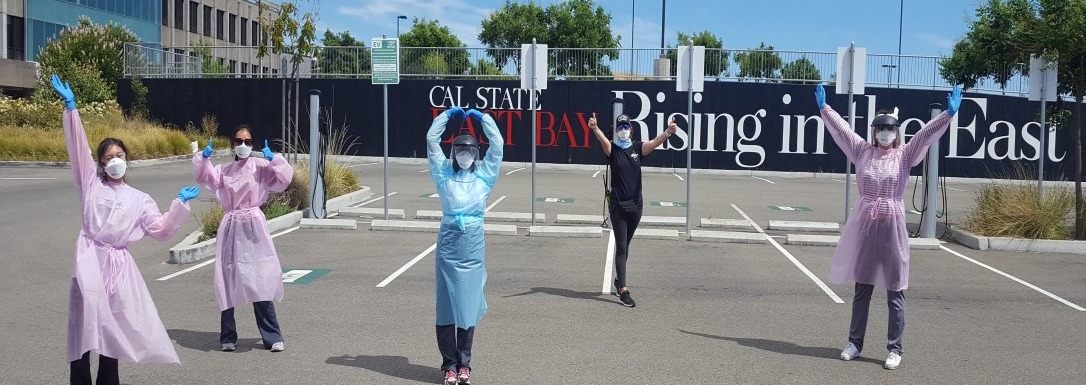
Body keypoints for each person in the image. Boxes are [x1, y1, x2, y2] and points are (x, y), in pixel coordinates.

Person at [52, 74, 200, 385]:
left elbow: (159, 229)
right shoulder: (90, 184)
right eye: (109, 157)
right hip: (90, 260)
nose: (116, 161)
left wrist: (178, 206)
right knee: (83, 330)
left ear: (127, 159)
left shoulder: (139, 199)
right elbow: (77, 150)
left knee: (111, 330)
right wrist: (71, 109)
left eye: (120, 156)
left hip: (118, 267)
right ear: (100, 164)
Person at [815, 83, 962, 370]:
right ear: (874, 131)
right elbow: (843, 131)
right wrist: (825, 109)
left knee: (896, 288)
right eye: (880, 128)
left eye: (890, 129)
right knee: (863, 287)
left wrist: (947, 115)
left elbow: (925, 135)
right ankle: (855, 343)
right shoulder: (862, 152)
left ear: (896, 132)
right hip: (866, 224)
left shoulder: (905, 155)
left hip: (893, 225)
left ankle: (895, 348)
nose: (885, 133)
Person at [193, 125, 293, 353]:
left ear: (253, 144)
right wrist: (203, 158)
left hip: (254, 226)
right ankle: (228, 335)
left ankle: (272, 335)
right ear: (232, 143)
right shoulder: (224, 170)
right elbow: (204, 176)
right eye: (239, 141)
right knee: (227, 278)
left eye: (248, 141)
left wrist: (275, 159)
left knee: (262, 278)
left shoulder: (261, 167)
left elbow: (284, 179)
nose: (244, 145)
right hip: (231, 227)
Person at [426, 107, 503, 385]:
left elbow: (498, 145)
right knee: (446, 306)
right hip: (448, 247)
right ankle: (448, 364)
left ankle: (464, 364)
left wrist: (484, 120)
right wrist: (446, 117)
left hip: (471, 248)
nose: (464, 154)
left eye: (469, 150)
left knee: (468, 306)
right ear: (453, 150)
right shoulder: (443, 174)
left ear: (476, 152)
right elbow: (431, 141)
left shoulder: (484, 176)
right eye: (459, 148)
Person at [588, 113, 677, 307]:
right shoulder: (613, 150)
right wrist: (595, 128)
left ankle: (619, 279)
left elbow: (653, 143)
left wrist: (668, 133)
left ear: (631, 129)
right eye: (620, 127)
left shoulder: (637, 148)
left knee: (626, 245)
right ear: (616, 130)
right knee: (621, 247)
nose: (623, 130)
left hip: (636, 206)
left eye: (626, 127)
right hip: (618, 206)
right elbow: (603, 140)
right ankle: (623, 290)